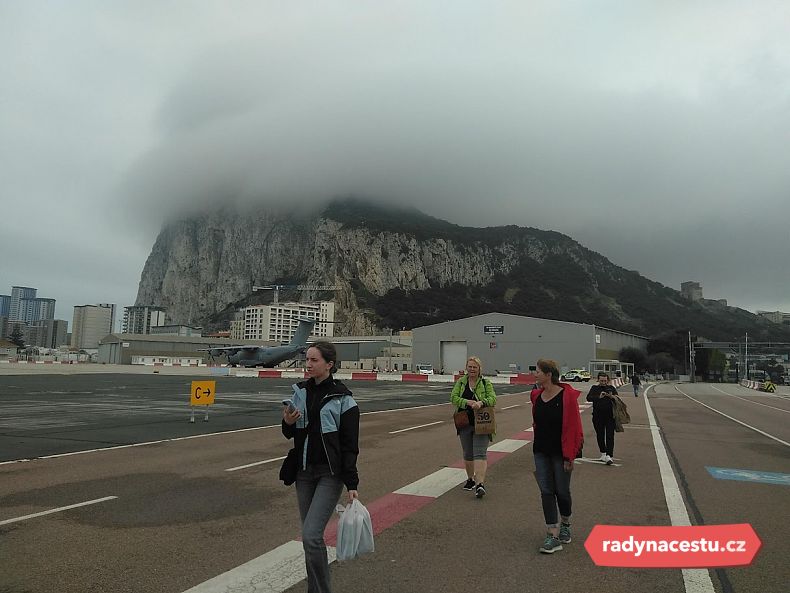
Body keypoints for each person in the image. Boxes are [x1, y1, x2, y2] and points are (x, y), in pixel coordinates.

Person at [282, 341, 360, 593]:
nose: (308, 364)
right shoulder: (300, 392)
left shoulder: (344, 399)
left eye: (314, 360)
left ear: (329, 364)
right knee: (309, 539)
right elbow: (289, 433)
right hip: (304, 473)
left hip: (330, 474)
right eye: (307, 359)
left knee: (312, 536)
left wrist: (352, 483)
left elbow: (350, 444)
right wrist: (287, 422)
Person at [531, 358, 584, 554]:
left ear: (548, 374)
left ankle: (566, 522)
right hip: (541, 450)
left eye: (537, 371)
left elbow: (574, 428)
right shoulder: (536, 395)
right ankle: (552, 533)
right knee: (546, 491)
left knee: (562, 491)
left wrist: (570, 456)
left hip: (561, 453)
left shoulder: (567, 397)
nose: (534, 374)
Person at [450, 356, 497, 498]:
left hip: (482, 422)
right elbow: (453, 397)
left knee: (480, 454)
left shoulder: (485, 383)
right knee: (468, 454)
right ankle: (470, 479)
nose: (471, 369)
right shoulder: (461, 382)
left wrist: (481, 403)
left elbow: (493, 398)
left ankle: (480, 484)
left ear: (479, 369)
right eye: (469, 366)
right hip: (464, 423)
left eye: (474, 367)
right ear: (466, 368)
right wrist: (467, 402)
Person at [586, 372, 617, 465]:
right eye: (601, 380)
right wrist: (598, 397)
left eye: (605, 380)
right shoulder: (594, 388)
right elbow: (588, 398)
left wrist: (612, 396)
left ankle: (609, 455)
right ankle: (603, 452)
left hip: (610, 416)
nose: (603, 382)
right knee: (600, 434)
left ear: (607, 380)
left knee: (610, 435)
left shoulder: (611, 388)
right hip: (597, 416)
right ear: (598, 380)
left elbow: (617, 399)